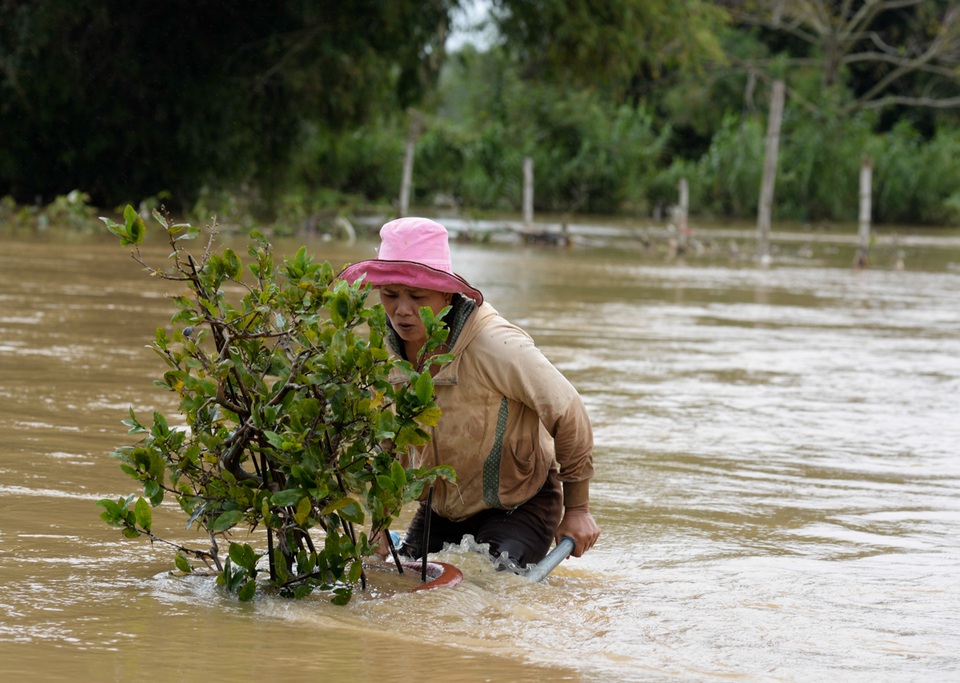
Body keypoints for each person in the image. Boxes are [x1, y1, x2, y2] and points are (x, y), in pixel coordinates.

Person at [339, 217, 600, 568]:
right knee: (393, 579)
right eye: (390, 295)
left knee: (488, 587)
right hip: (441, 510)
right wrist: (378, 528)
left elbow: (568, 412)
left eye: (417, 296)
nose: (401, 310)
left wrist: (578, 509)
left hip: (520, 504)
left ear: (446, 293)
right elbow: (388, 444)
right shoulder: (385, 356)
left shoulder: (495, 345)